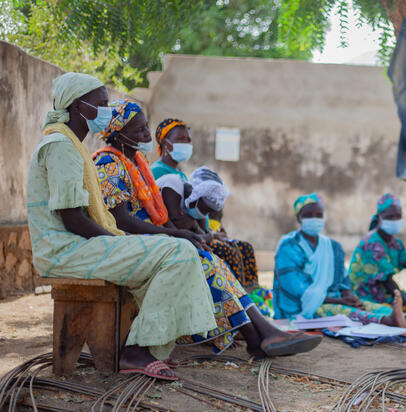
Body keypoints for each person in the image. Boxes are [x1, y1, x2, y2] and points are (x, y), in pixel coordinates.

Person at [91, 99, 320, 358]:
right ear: (119, 132)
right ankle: (258, 335)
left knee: (211, 261)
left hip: (148, 239)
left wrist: (188, 233)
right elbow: (121, 220)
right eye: (139, 130)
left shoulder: (136, 164)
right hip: (129, 241)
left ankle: (259, 335)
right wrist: (177, 233)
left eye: (146, 127)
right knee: (206, 261)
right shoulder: (109, 163)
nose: (146, 135)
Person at [26, 72, 216, 381]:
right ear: (79, 106)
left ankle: (150, 346)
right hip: (63, 251)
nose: (105, 110)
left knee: (178, 249)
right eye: (100, 104)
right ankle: (138, 351)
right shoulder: (61, 146)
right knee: (178, 252)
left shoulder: (70, 144)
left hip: (74, 246)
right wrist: (116, 242)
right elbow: (71, 217)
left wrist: (119, 242)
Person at [273, 193, 406, 331]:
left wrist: (350, 296)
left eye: (318, 215)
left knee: (366, 306)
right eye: (309, 215)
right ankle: (391, 322)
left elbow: (343, 280)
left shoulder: (332, 246)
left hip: (334, 298)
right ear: (299, 218)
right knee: (344, 311)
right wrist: (340, 301)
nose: (314, 219)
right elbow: (298, 290)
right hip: (299, 309)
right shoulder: (288, 246)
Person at [157, 166, 261, 292]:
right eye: (206, 209)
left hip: (182, 238)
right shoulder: (172, 187)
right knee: (226, 252)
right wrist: (202, 234)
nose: (205, 214)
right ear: (197, 196)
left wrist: (196, 228)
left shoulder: (196, 204)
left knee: (242, 247)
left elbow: (203, 233)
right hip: (163, 236)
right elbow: (180, 233)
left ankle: (246, 294)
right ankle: (235, 296)